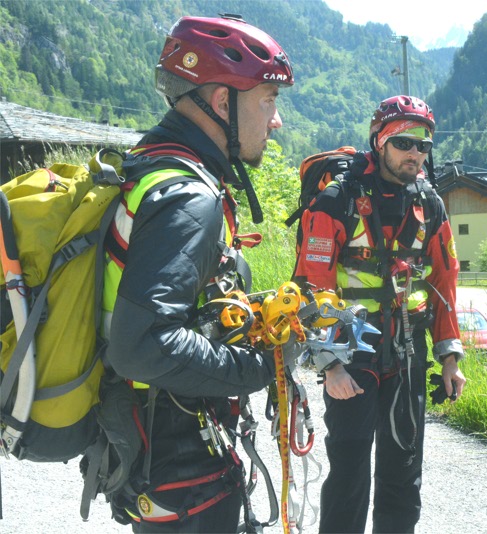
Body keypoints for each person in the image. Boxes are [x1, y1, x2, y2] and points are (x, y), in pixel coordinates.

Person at [100, 15, 294, 532]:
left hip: (154, 452)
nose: (276, 122)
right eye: (268, 101)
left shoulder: (151, 163)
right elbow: (143, 344)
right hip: (182, 465)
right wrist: (258, 366)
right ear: (223, 102)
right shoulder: (189, 196)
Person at [292, 95, 466, 533]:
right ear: (380, 141)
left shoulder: (431, 203)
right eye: (404, 143)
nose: (415, 154)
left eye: (423, 145)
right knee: (350, 473)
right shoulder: (337, 201)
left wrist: (449, 356)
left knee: (404, 471)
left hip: (408, 355)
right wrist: (329, 365)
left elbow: (444, 282)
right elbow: (312, 286)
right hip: (352, 360)